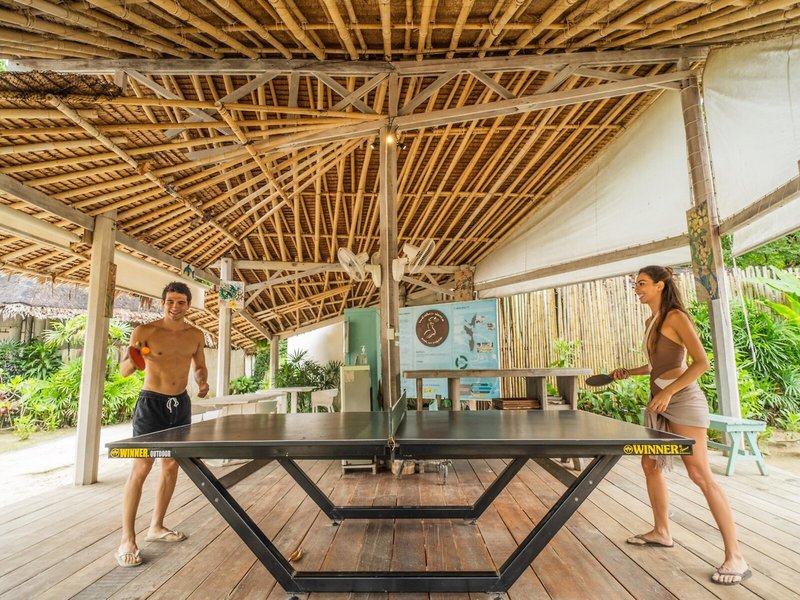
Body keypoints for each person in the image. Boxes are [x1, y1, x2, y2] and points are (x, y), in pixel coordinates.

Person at [611, 265, 750, 586]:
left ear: (660, 285)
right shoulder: (652, 321)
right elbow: (659, 365)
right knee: (650, 465)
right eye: (636, 284)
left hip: (683, 401)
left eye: (642, 284)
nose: (637, 289)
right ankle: (661, 531)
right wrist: (629, 372)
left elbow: (700, 363)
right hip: (660, 402)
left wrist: (669, 392)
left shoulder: (676, 317)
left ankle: (736, 557)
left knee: (700, 474)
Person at [115, 282, 209, 568]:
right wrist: (135, 359)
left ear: (188, 305)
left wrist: (202, 382)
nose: (175, 306)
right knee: (141, 467)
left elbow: (199, 365)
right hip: (151, 404)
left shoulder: (195, 335)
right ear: (163, 303)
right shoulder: (145, 332)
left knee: (170, 465)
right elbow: (123, 370)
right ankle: (127, 539)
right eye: (170, 301)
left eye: (180, 302)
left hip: (180, 404)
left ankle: (156, 526)